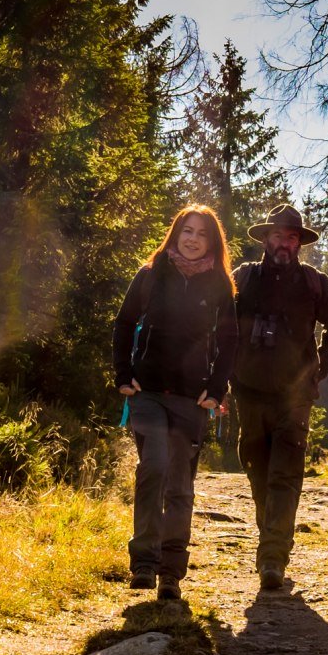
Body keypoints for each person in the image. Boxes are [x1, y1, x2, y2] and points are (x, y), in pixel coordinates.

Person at [112, 205, 239, 602]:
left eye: (202, 233)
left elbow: (230, 340)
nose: (193, 239)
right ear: (175, 233)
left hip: (191, 398)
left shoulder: (219, 284)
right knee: (154, 466)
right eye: (187, 230)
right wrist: (122, 374)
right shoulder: (152, 274)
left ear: (212, 242)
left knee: (180, 485)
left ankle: (171, 573)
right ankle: (144, 564)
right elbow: (122, 322)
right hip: (147, 391)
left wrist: (216, 390)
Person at [231, 204, 328, 590]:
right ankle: (272, 538)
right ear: (266, 240)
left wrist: (317, 373)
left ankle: (273, 557)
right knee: (257, 468)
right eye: (278, 235)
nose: (285, 243)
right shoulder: (243, 279)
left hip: (294, 397)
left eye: (292, 237)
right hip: (248, 393)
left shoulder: (315, 283)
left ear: (300, 243)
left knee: (285, 472)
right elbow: (217, 324)